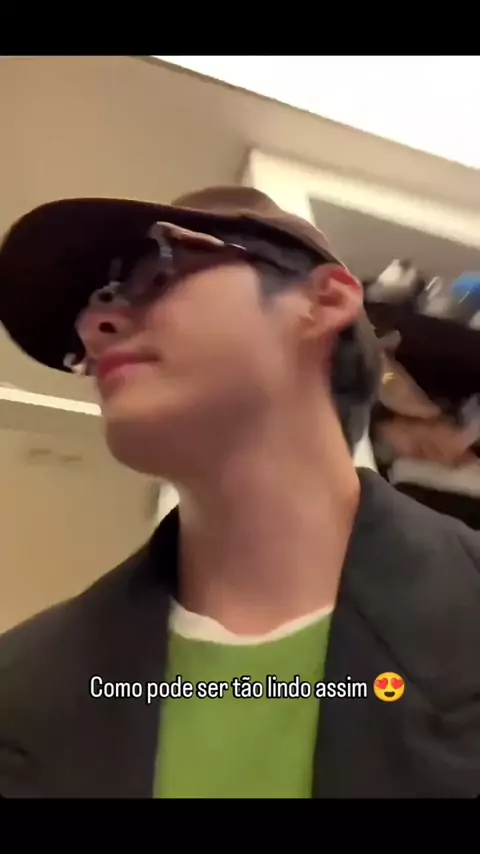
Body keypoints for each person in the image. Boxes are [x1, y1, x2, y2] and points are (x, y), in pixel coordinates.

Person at [0, 186, 479, 799]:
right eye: (87, 315)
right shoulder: (21, 687)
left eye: (153, 272)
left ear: (325, 300)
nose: (93, 329)